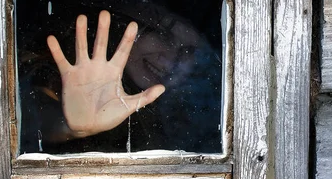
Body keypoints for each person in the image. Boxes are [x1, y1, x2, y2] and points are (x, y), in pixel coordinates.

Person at [21, 9, 222, 154]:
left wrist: (74, 128)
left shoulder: (156, 139)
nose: (168, 61)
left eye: (188, 55)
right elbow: (27, 115)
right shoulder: (53, 54)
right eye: (164, 34)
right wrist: (67, 126)